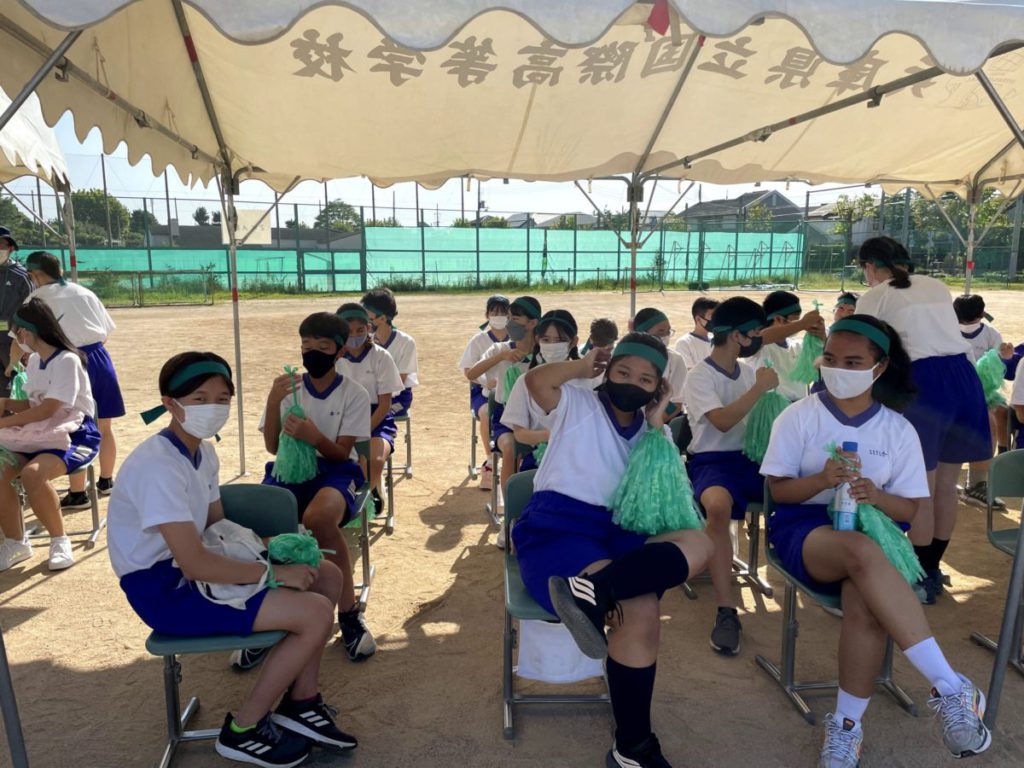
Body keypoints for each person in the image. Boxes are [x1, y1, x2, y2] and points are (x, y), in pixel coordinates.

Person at [762, 315, 992, 767]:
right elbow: (780, 492)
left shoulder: (898, 429)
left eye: (853, 362)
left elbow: (909, 511)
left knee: (865, 607)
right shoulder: (799, 416)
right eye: (831, 359)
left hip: (876, 531)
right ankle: (950, 686)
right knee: (861, 552)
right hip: (805, 529)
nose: (838, 369)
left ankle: (847, 727)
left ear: (879, 367)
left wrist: (876, 496)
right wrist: (821, 480)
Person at [109, 352, 358, 767]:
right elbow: (194, 564)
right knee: (314, 613)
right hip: (165, 589)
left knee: (327, 575)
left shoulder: (203, 453)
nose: (213, 408)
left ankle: (302, 702)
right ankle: (243, 730)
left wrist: (273, 543)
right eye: (199, 398)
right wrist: (272, 572)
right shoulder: (158, 466)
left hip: (197, 566)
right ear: (170, 403)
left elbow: (215, 527)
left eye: (222, 399)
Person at [513, 334, 714, 768]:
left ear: (658, 387)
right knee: (638, 610)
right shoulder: (578, 403)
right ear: (607, 370)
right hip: (559, 528)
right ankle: (635, 747)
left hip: (621, 533)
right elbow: (536, 383)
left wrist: (657, 421)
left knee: (700, 543)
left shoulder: (651, 431)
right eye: (623, 372)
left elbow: (667, 495)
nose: (631, 383)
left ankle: (595, 589)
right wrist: (581, 367)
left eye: (645, 379)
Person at [856, 237, 991, 604]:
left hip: (925, 383)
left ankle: (917, 575)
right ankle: (931, 568)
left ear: (870, 266)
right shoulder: (936, 285)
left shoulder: (875, 295)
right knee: (946, 487)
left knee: (921, 490)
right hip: (963, 378)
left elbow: (861, 348)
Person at [260, 312, 375, 662]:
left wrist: (313, 436)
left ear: (340, 351)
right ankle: (267, 610)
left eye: (323, 347)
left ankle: (349, 613)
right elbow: (273, 447)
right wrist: (272, 401)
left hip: (337, 470)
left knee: (319, 517)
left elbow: (341, 453)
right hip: (290, 468)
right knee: (264, 520)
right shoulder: (287, 389)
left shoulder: (353, 393)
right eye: (306, 345)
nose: (312, 353)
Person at [683, 296, 779, 656]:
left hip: (750, 459)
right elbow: (722, 421)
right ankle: (726, 611)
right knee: (718, 507)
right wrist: (759, 389)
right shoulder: (699, 375)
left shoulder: (750, 371)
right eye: (755, 332)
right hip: (711, 461)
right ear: (738, 335)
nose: (759, 339)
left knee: (796, 490)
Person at [17, 251, 125, 509]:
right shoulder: (84, 292)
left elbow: (24, 341)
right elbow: (106, 331)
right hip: (98, 357)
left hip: (64, 360)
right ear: (60, 271)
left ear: (34, 274)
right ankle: (106, 480)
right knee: (104, 425)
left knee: (73, 425)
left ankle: (78, 493)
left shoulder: (36, 299)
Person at [0, 298, 99, 572]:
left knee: (33, 474)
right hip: (39, 431)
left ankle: (59, 540)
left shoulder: (67, 360)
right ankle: (16, 543)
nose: (16, 340)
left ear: (28, 331)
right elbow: (35, 404)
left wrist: (4, 422)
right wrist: (5, 403)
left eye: (17, 333)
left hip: (75, 433)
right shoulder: (34, 361)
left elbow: (50, 409)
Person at [465, 296, 542, 503]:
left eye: (515, 319)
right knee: (509, 446)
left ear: (532, 323)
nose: (509, 323)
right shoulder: (500, 349)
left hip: (538, 415)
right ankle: (510, 506)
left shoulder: (543, 352)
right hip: (505, 415)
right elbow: (471, 374)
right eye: (509, 318)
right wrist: (501, 357)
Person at [334, 303, 403, 512]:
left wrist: (362, 431)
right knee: (340, 460)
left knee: (375, 459)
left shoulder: (380, 356)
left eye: (360, 330)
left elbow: (385, 404)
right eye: (348, 331)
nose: (354, 336)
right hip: (340, 417)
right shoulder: (332, 359)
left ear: (369, 328)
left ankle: (373, 490)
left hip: (376, 418)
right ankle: (346, 498)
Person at [952, 294, 1008, 508]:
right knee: (987, 429)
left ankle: (971, 484)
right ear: (982, 313)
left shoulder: (947, 331)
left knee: (980, 429)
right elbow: (1001, 368)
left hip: (973, 395)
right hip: (963, 395)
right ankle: (972, 483)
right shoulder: (992, 334)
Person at [459, 295, 510, 489]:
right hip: (482, 392)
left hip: (510, 392)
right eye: (494, 312)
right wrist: (485, 382)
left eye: (503, 312)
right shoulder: (478, 340)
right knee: (487, 413)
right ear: (487, 315)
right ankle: (490, 460)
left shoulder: (517, 339)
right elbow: (468, 370)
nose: (499, 316)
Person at [747, 290, 825, 402]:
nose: (799, 326)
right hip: (771, 408)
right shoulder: (760, 347)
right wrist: (803, 323)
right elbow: (761, 338)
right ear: (778, 319)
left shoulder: (796, 346)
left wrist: (821, 337)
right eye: (795, 320)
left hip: (797, 407)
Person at [361, 288, 418, 419]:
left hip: (399, 399)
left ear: (382, 318)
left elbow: (400, 381)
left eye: (368, 319)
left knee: (383, 415)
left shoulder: (406, 342)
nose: (364, 323)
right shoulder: (364, 341)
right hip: (370, 396)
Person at [631, 308, 688, 421]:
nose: (666, 336)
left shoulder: (674, 360)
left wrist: (650, 423)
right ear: (642, 334)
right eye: (660, 332)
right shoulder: (625, 357)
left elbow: (675, 404)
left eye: (668, 331)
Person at [0, 227, 33, 396]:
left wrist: (27, 345)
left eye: (1, 245)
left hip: (12, 341)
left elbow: (32, 311)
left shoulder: (21, 276)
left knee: (15, 383)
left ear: (11, 248)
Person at [674, 297, 719, 373]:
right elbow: (689, 374)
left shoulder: (716, 341)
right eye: (712, 316)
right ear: (698, 319)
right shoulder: (684, 343)